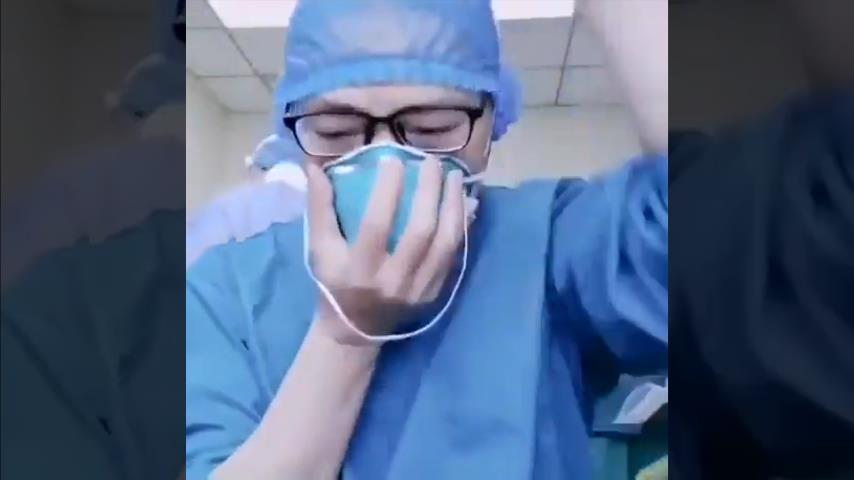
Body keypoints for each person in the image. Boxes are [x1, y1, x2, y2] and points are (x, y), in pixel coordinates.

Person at [185, 1, 668, 479]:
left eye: (432, 129)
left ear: (490, 124)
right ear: (295, 134)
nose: (385, 163)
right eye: (335, 132)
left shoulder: (551, 241)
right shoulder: (225, 291)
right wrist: (347, 334)